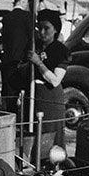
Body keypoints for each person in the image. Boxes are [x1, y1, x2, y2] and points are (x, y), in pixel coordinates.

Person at [28, 8, 69, 151]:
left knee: (51, 138)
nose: (42, 32)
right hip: (35, 96)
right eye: (40, 28)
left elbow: (55, 80)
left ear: (55, 30)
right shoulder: (35, 46)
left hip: (50, 99)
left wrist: (38, 63)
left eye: (46, 28)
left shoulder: (61, 50)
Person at [0, 0, 34, 114]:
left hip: (8, 62)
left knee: (10, 96)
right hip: (23, 62)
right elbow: (31, 39)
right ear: (24, 1)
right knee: (27, 93)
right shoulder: (27, 17)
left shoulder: (7, 18)